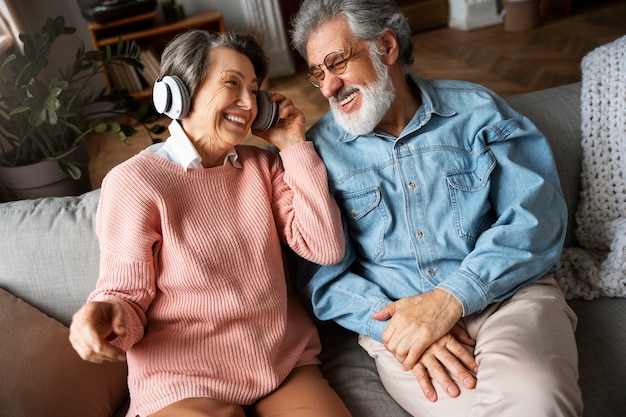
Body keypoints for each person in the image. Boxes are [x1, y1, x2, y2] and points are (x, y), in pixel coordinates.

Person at [289, 1, 583, 416]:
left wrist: (450, 299)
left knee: (536, 398)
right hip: (402, 323)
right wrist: (394, 327)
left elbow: (538, 219)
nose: (328, 87)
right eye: (318, 72)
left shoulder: (478, 111)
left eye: (337, 63)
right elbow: (323, 278)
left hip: (508, 297)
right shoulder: (320, 154)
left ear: (386, 47)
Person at [69, 30, 353, 417]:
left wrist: (292, 145)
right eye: (232, 84)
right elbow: (126, 298)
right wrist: (105, 315)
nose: (248, 103)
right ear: (178, 92)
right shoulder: (134, 182)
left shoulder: (265, 166)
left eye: (255, 90)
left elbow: (325, 247)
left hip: (280, 360)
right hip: (183, 374)